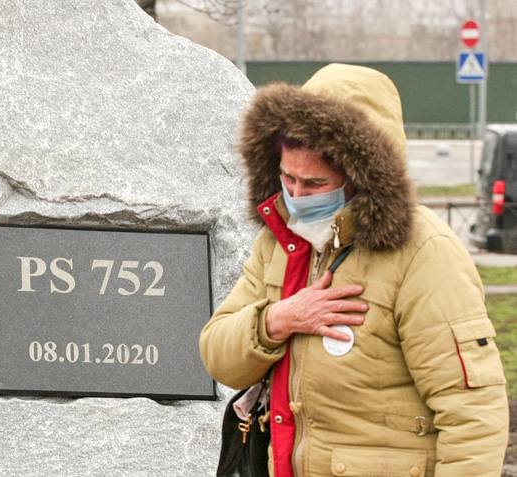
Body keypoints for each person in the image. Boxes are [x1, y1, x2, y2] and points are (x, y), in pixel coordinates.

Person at [200, 63, 509, 477]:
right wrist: (277, 320)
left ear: (363, 178)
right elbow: (218, 356)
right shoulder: (280, 241)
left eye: (314, 184)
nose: (294, 195)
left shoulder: (424, 252)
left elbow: (472, 413)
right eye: (287, 177)